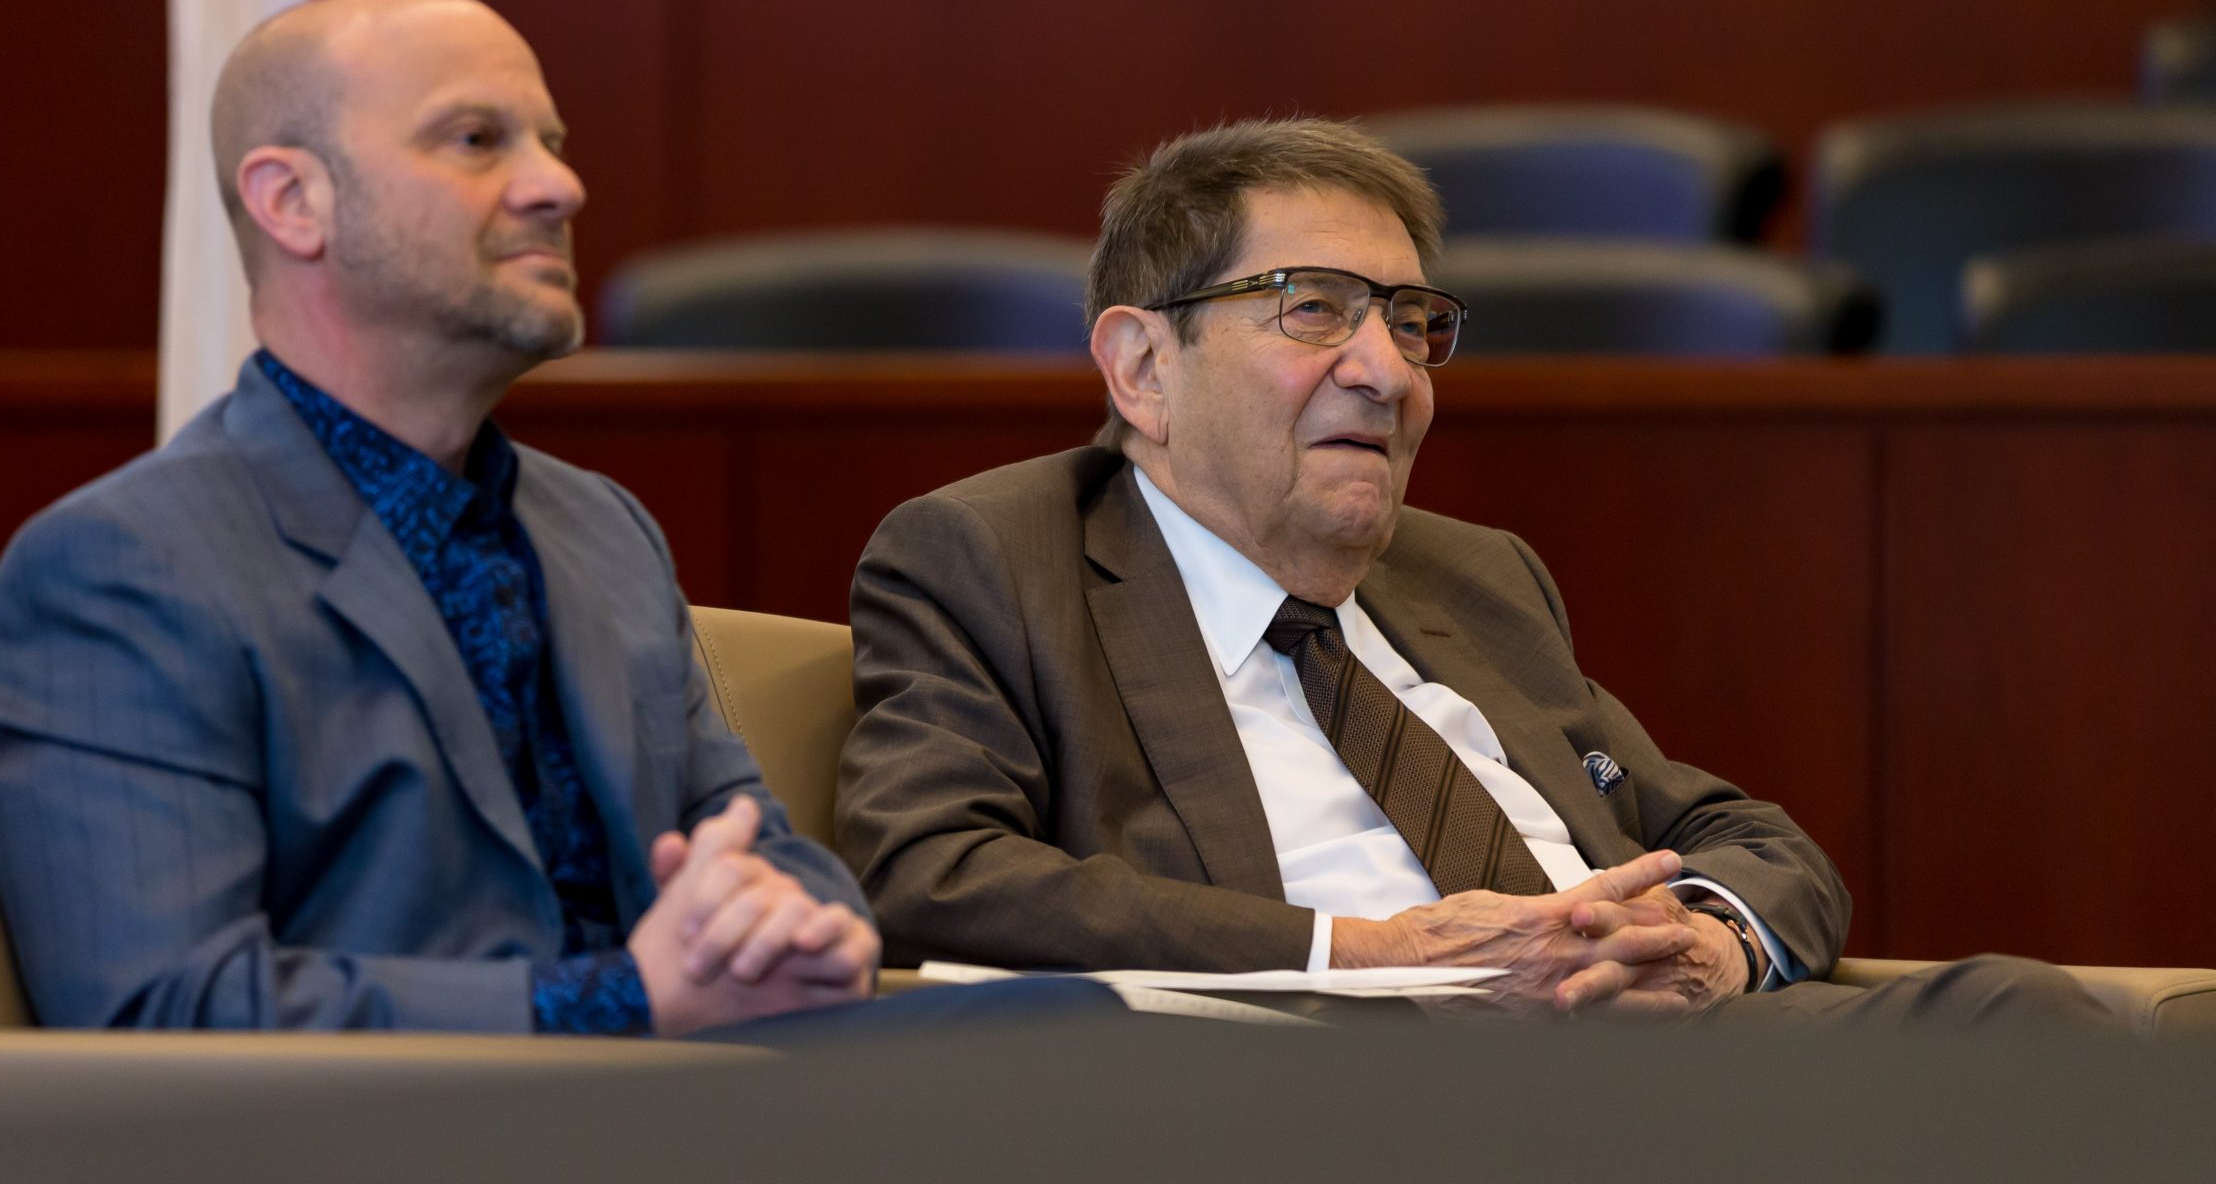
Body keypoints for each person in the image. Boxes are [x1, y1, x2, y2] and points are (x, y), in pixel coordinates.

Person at [837, 118, 2104, 1023]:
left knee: (2031, 1019)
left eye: (1410, 322)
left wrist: (1707, 948)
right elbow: (932, 872)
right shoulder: (997, 555)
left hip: (1664, 1055)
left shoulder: (1469, 575)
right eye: (1314, 308)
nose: (1388, 371)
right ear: (1141, 368)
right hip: (1342, 1094)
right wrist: (1373, 952)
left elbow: (1731, 832)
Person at [0, 0, 917, 1040]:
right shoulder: (122, 568)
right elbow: (165, 1011)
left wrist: (809, 927)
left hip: (682, 1142)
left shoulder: (600, 528)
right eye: (475, 139)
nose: (560, 184)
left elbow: (747, 841)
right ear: (292, 203)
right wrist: (620, 1003)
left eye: (550, 141)